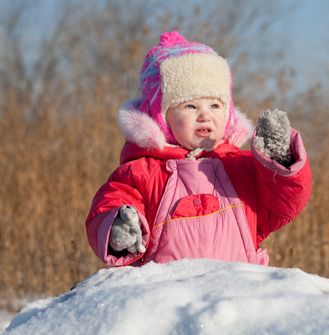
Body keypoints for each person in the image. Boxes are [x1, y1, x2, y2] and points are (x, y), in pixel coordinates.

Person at [85, 30, 312, 267]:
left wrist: (278, 161)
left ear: (228, 114)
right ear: (162, 118)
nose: (205, 115)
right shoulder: (142, 173)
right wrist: (118, 229)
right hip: (165, 296)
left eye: (215, 105)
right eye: (190, 106)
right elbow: (110, 202)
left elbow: (283, 203)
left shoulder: (241, 169)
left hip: (238, 294)